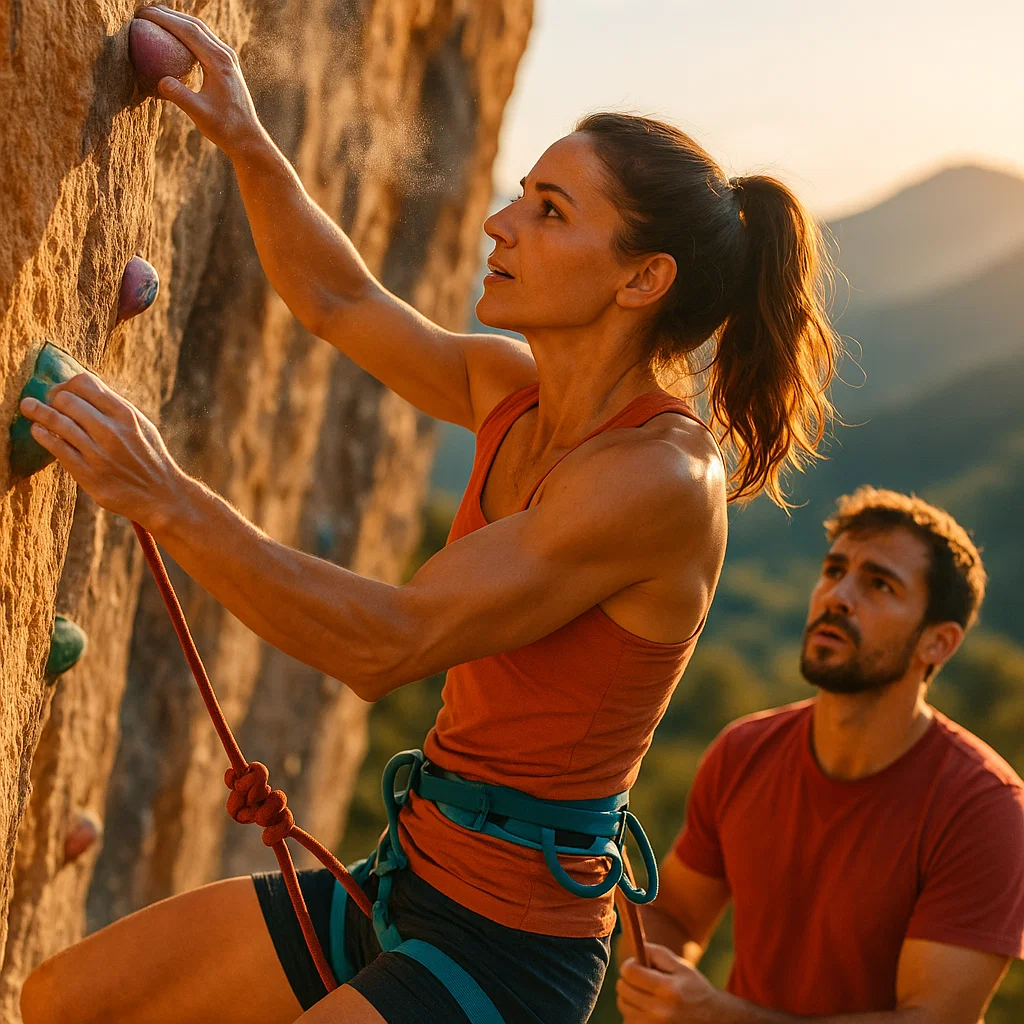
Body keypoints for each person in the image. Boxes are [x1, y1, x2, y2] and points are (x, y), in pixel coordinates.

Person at [17, 5, 839, 1023]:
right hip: (407, 881)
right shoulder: (517, 392)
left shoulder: (658, 483)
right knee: (68, 1001)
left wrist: (166, 494)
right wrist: (246, 136)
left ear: (643, 277)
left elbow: (385, 644)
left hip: (507, 952)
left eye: (548, 210)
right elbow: (340, 303)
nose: (501, 222)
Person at [617, 487, 1024, 1024]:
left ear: (938, 643)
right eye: (834, 571)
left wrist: (716, 1016)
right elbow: (676, 914)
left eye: (879, 584)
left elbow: (934, 1019)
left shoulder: (986, 811)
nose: (838, 595)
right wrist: (657, 982)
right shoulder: (744, 751)